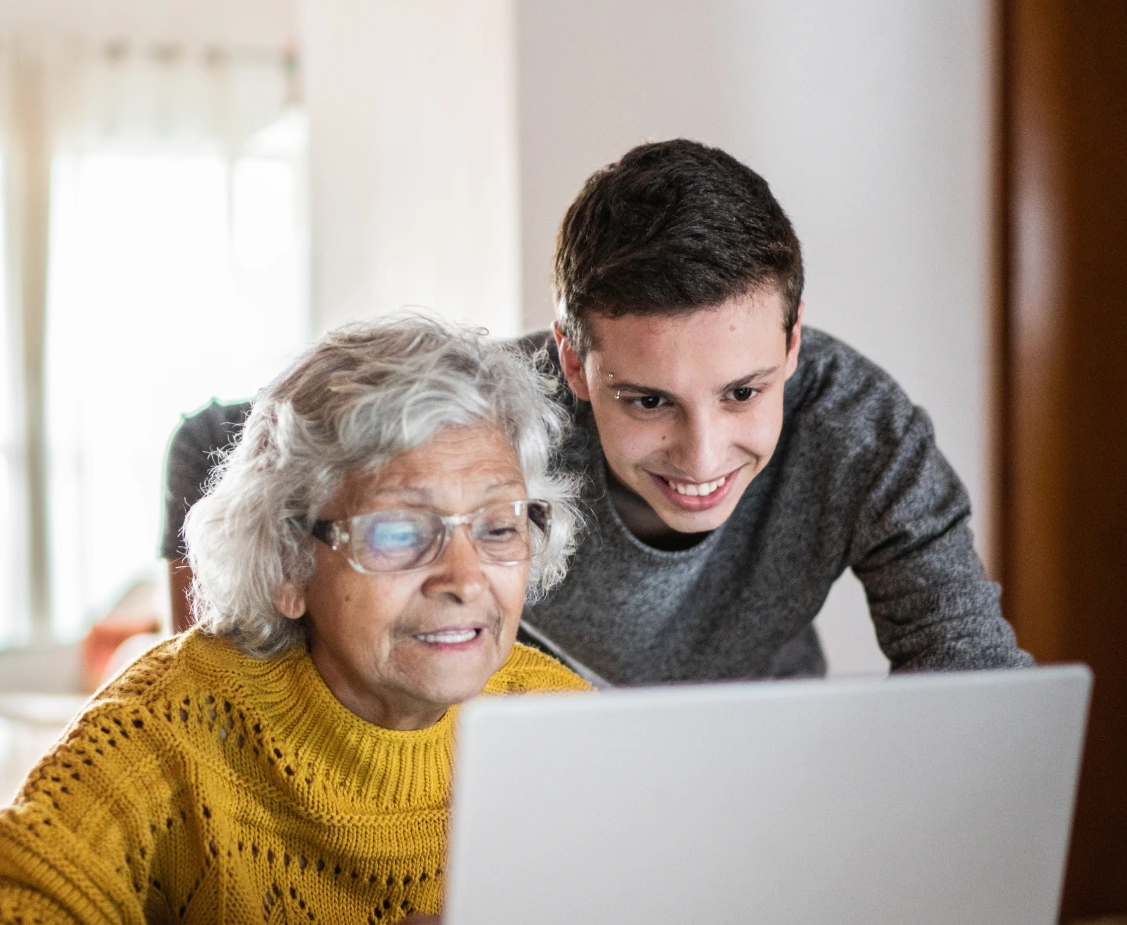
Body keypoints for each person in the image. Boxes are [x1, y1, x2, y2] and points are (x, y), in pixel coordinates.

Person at [0, 315, 590, 925]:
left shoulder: (568, 725)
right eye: (397, 530)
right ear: (288, 563)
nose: (463, 574)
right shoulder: (169, 723)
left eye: (497, 526)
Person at [162, 139, 1028, 681]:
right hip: (535, 756)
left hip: (754, 748)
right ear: (573, 361)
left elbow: (973, 679)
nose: (702, 455)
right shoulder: (495, 411)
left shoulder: (865, 437)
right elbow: (212, 439)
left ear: (793, 346)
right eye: (648, 400)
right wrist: (214, 678)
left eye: (744, 392)